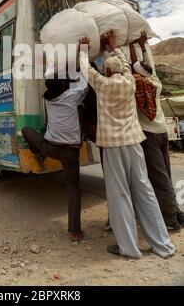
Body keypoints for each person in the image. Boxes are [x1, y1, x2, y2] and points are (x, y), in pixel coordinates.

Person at [79, 32, 176, 259]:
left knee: (119, 194)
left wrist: (84, 49)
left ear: (106, 72)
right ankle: (163, 245)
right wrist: (111, 48)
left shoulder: (102, 84)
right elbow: (124, 64)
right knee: (145, 191)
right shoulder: (130, 81)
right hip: (134, 143)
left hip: (113, 147)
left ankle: (129, 248)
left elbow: (86, 69)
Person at [22, 73, 88, 242]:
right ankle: (75, 231)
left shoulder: (47, 99)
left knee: (26, 131)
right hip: (70, 153)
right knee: (73, 189)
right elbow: (85, 82)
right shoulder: (73, 96)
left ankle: (39, 152)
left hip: (50, 147)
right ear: (64, 86)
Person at [130, 32, 184, 230]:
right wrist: (143, 46)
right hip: (162, 132)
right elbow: (145, 66)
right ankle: (177, 212)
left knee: (158, 177)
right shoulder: (155, 83)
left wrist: (124, 47)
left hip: (149, 136)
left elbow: (131, 69)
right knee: (165, 174)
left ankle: (170, 220)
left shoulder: (135, 89)